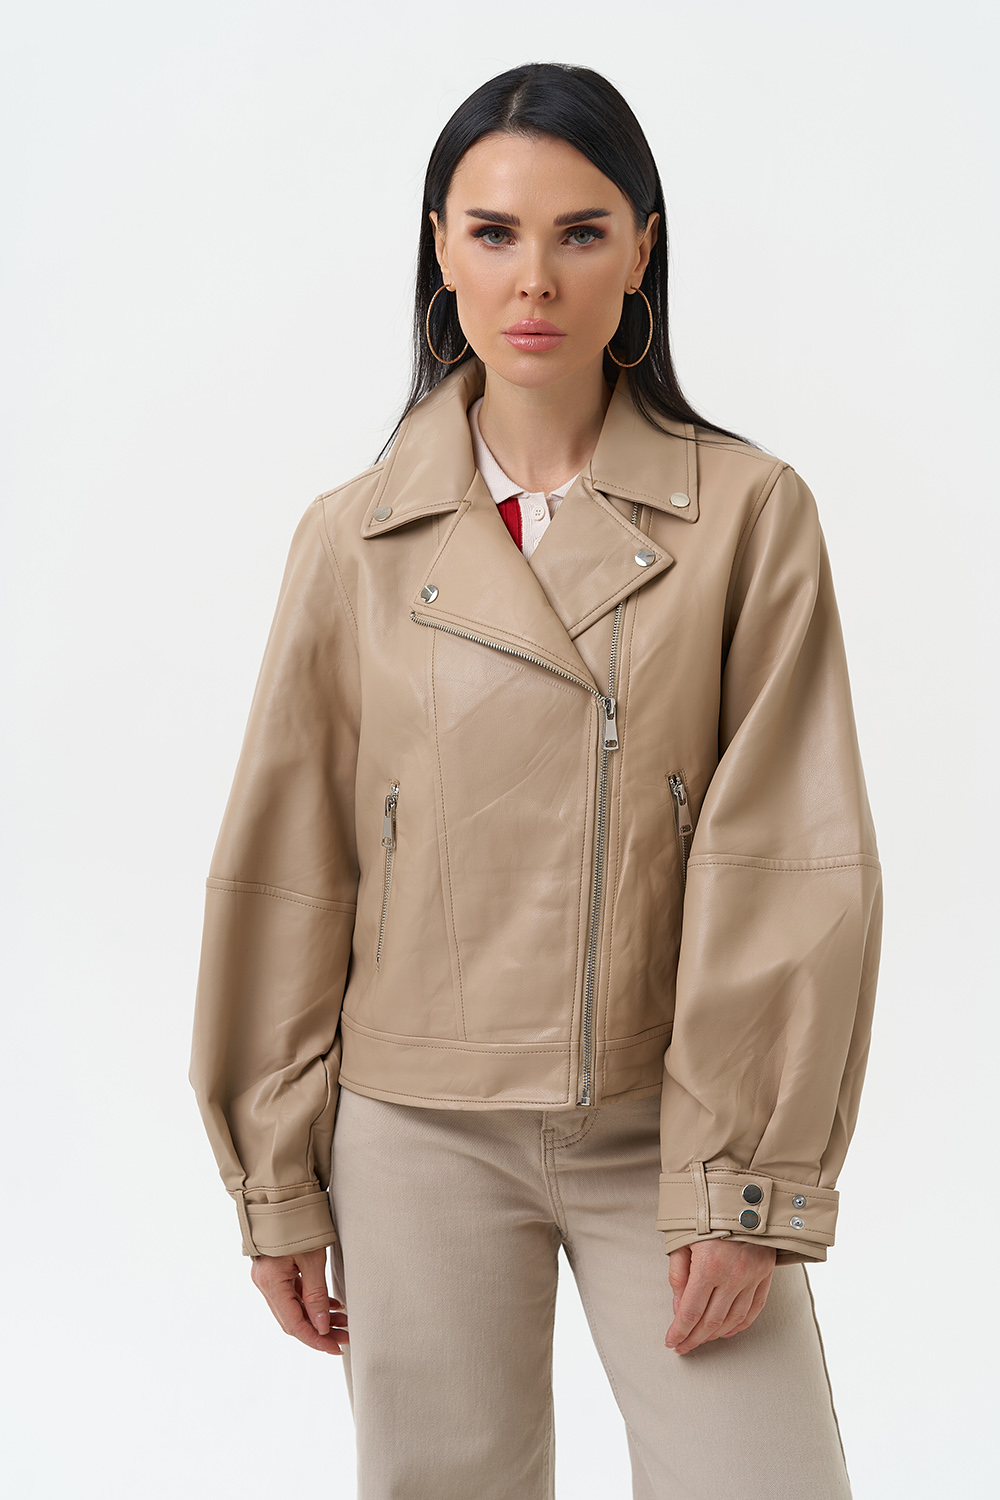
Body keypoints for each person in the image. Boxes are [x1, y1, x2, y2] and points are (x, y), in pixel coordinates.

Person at [189, 61, 883, 1499]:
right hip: (414, 1130)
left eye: (580, 232)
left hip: (667, 1122)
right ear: (440, 249)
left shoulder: (747, 515)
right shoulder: (353, 539)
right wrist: (276, 1176)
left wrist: (741, 1177)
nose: (536, 279)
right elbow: (288, 863)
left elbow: (786, 858)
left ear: (642, 249)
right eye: (495, 231)